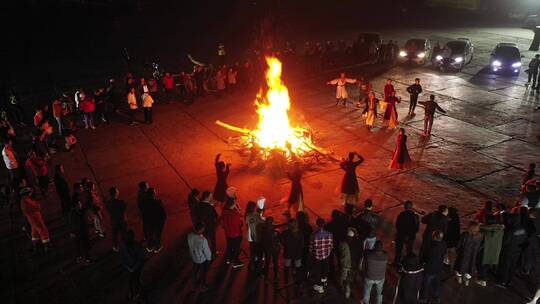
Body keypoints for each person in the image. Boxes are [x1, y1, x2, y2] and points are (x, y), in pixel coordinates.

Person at [497, 214, 527, 288]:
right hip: (517, 251)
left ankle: (503, 281)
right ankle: (509, 281)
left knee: (506, 266)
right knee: (512, 266)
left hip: (509, 250)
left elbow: (505, 242)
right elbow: (524, 240)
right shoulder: (523, 229)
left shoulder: (512, 230)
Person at [419, 230, 446, 303]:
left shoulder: (431, 246)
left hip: (430, 268)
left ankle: (423, 298)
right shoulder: (443, 245)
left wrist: (422, 262)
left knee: (426, 284)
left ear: (434, 237)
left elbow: (426, 256)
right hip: (438, 268)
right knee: (436, 284)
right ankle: (437, 297)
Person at [477, 214, 504, 286]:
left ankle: (483, 280)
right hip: (494, 252)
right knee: (487, 266)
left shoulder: (487, 230)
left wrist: (479, 225)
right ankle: (483, 278)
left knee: (482, 266)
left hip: (487, 251)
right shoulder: (500, 229)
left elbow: (483, 228)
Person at [455, 221, 483, 286]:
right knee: (470, 267)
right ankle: (467, 281)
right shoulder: (480, 236)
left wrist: (457, 251)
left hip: (464, 254)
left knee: (460, 266)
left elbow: (459, 244)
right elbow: (480, 246)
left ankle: (459, 278)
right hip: (473, 255)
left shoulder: (465, 235)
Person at [120, 230, 145, 300]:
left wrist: (128, 267)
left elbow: (122, 258)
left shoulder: (123, 246)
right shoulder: (137, 246)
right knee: (136, 280)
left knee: (130, 280)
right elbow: (141, 258)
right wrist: (134, 268)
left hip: (128, 268)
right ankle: (136, 293)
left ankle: (131, 292)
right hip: (136, 268)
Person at [310, 218, 333, 294]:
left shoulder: (313, 235)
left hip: (317, 256)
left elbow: (310, 248)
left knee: (318, 270)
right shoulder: (330, 234)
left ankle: (319, 286)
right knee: (325, 268)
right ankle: (324, 281)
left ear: (317, 225)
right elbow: (331, 246)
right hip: (326, 255)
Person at [394, 201, 420, 266]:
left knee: (398, 251)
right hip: (410, 237)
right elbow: (417, 229)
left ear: (404, 207)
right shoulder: (415, 216)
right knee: (409, 251)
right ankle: (407, 264)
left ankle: (396, 263)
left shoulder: (401, 215)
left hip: (401, 235)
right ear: (411, 207)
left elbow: (397, 226)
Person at [188, 222, 212, 292]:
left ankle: (194, 285)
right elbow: (207, 251)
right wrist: (209, 259)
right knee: (203, 273)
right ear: (201, 229)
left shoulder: (190, 235)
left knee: (195, 270)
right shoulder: (202, 240)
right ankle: (203, 286)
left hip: (194, 257)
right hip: (202, 259)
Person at [142, 188, 167, 253]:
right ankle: (157, 247)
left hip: (149, 222)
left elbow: (143, 213)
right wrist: (163, 220)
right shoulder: (158, 202)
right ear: (153, 194)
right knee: (157, 235)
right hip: (157, 222)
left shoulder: (144, 203)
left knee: (150, 234)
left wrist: (145, 222)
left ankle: (150, 247)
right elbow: (163, 212)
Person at [281, 218, 305, 284]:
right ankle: (298, 280)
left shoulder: (285, 233)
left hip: (288, 253)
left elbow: (282, 242)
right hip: (297, 253)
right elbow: (302, 245)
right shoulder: (300, 233)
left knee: (287, 267)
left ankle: (286, 280)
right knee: (298, 267)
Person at [221, 198, 244, 268]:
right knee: (236, 248)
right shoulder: (235, 213)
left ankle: (228, 259)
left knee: (229, 246)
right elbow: (240, 223)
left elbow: (224, 224)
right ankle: (236, 262)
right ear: (233, 204)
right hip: (236, 234)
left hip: (228, 234)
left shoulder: (224, 211)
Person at [195, 191, 219, 256]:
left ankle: (203, 251)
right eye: (211, 196)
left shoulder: (199, 205)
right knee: (212, 240)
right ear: (207, 198)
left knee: (204, 240)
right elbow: (216, 216)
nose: (212, 198)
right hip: (210, 226)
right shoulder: (210, 207)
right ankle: (213, 251)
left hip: (202, 227)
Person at [339, 227, 360, 299]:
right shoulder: (358, 243)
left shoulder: (342, 244)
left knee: (343, 279)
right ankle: (348, 293)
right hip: (353, 265)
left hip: (345, 265)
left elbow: (340, 253)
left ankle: (343, 291)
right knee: (350, 281)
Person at [258, 216, 281, 283]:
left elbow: (261, 241)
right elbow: (278, 241)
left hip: (267, 249)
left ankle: (266, 277)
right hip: (274, 250)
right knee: (275, 263)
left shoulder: (263, 230)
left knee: (267, 263)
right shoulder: (275, 232)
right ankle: (276, 276)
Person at [69, 198, 91, 263]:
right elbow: (71, 223)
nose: (80, 205)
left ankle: (86, 257)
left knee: (84, 245)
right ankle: (81, 256)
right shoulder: (73, 214)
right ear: (75, 205)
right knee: (79, 245)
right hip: (78, 232)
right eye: (79, 204)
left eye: (80, 203)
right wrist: (71, 232)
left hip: (82, 231)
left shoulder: (82, 211)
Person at [105, 187, 127, 252]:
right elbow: (124, 209)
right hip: (121, 220)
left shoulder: (108, 203)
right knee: (123, 234)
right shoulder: (121, 202)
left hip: (114, 220)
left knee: (115, 234)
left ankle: (116, 246)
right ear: (116, 193)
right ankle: (125, 245)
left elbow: (108, 210)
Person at [246, 199, 265, 268]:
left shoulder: (247, 214)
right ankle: (255, 265)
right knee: (256, 250)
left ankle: (252, 264)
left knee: (252, 251)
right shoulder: (253, 216)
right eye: (255, 207)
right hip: (254, 236)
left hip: (250, 236)